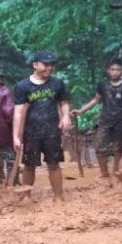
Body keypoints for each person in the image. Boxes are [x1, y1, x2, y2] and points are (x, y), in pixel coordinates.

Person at [13, 51, 72, 201]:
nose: (49, 68)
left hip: (52, 130)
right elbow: (18, 113)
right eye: (45, 64)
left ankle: (58, 196)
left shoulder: (57, 83)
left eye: (52, 65)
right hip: (31, 131)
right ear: (35, 65)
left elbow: (64, 102)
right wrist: (15, 137)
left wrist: (65, 116)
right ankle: (26, 195)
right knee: (29, 165)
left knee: (54, 164)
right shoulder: (22, 86)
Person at [71, 59, 122, 178]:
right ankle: (104, 174)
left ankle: (117, 173)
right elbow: (96, 100)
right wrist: (81, 111)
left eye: (118, 70)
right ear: (108, 70)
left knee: (118, 149)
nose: (115, 72)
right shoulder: (103, 84)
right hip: (105, 120)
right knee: (100, 147)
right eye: (113, 69)